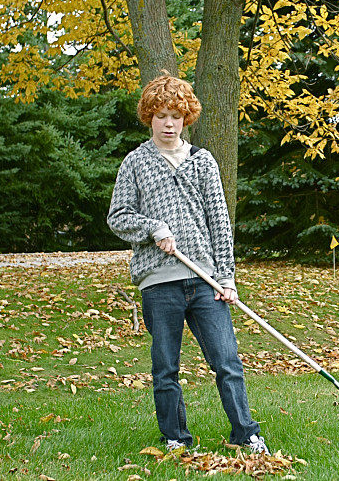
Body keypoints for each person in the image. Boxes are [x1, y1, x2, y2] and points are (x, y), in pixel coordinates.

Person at [107, 74, 268, 455]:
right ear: (149, 116)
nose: (168, 124)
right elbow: (117, 216)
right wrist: (153, 228)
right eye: (161, 115)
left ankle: (246, 433)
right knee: (166, 368)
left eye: (175, 116)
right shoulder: (135, 163)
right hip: (158, 282)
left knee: (227, 362)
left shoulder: (203, 162)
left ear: (186, 119)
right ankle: (175, 438)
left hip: (205, 281)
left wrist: (226, 277)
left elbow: (220, 225)